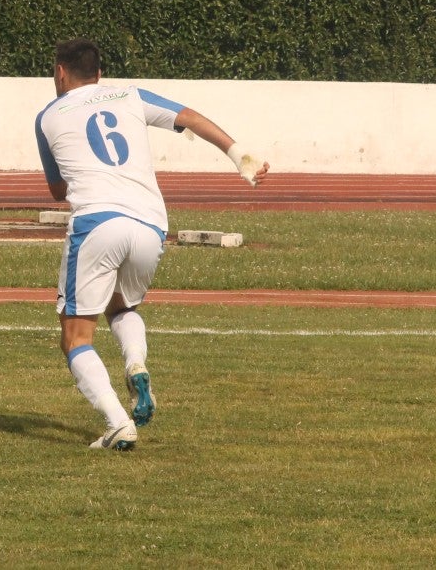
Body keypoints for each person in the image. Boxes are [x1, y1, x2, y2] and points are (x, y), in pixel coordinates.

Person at [34, 38, 268, 451]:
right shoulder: (131, 94)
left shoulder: (48, 116)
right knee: (122, 306)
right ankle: (135, 363)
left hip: (97, 222)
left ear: (59, 72)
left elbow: (57, 190)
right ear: (100, 74)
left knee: (75, 337)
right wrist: (238, 154)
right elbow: (190, 117)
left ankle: (117, 422)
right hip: (150, 222)